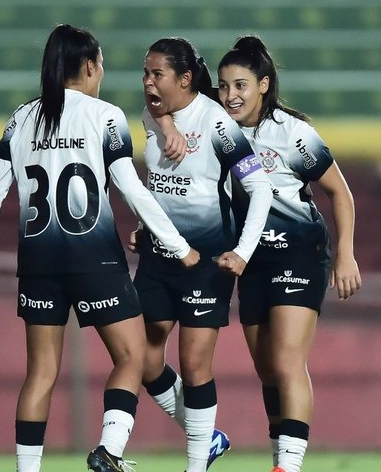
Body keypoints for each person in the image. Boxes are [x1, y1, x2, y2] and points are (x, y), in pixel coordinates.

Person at [0, 24, 200, 472]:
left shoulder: (20, 119)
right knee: (132, 356)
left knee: (40, 373)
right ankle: (109, 451)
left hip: (37, 260)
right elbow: (132, 190)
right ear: (91, 66)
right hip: (93, 255)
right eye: (102, 66)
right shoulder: (105, 116)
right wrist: (178, 246)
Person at [215, 35, 361, 472]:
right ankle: (281, 456)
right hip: (250, 260)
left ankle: (289, 466)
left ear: (263, 84)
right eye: (223, 86)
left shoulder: (293, 133)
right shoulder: (216, 132)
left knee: (286, 361)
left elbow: (339, 192)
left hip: (298, 252)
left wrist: (346, 254)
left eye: (240, 85)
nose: (230, 95)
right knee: (267, 370)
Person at [130, 37, 273, 472]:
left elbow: (260, 187)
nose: (147, 83)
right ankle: (206, 437)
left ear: (185, 78)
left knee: (194, 365)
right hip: (159, 256)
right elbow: (155, 182)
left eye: (157, 74)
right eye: (145, 73)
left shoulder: (218, 125)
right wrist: (143, 227)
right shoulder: (150, 115)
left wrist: (243, 251)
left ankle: (195, 465)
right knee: (141, 357)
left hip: (207, 259)